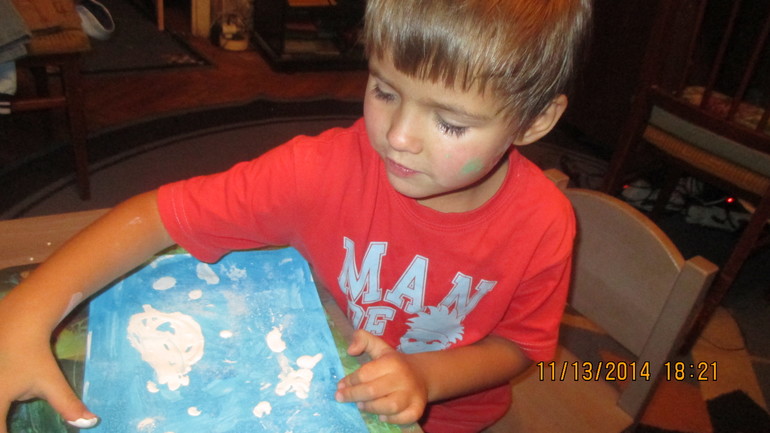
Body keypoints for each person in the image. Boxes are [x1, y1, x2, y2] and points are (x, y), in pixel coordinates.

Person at [0, 0, 591, 431]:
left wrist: (427, 376)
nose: (399, 137)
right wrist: (25, 312)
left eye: (451, 123)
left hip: (453, 420)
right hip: (318, 381)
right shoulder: (321, 171)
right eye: (385, 91)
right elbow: (157, 215)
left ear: (535, 121)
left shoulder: (544, 222)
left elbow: (519, 345)